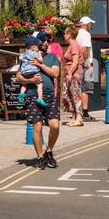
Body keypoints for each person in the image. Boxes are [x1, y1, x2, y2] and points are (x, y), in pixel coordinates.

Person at [26, 31, 61, 169]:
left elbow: (55, 73)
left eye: (48, 40)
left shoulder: (52, 57)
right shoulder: (28, 56)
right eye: (43, 40)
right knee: (37, 126)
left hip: (49, 96)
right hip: (32, 95)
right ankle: (40, 157)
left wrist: (40, 65)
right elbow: (18, 77)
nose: (46, 43)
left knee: (55, 125)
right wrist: (30, 79)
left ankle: (49, 151)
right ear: (37, 42)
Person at [60, 24, 84, 126]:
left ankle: (79, 118)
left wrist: (70, 73)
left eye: (65, 33)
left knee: (75, 95)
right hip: (71, 73)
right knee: (69, 95)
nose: (63, 36)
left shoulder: (74, 45)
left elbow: (75, 62)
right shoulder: (72, 45)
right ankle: (74, 116)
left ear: (69, 34)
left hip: (74, 74)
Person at [16, 37, 47, 107]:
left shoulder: (23, 54)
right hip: (33, 72)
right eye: (37, 46)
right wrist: (39, 55)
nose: (38, 48)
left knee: (24, 84)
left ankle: (21, 95)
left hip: (24, 72)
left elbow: (20, 59)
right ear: (33, 47)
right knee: (39, 84)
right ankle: (40, 98)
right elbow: (41, 61)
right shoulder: (35, 53)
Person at [75, 16, 96, 120]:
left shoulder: (77, 34)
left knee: (79, 88)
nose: (91, 25)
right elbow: (85, 49)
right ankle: (85, 113)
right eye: (90, 24)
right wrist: (88, 63)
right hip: (85, 64)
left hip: (78, 63)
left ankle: (79, 112)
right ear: (86, 24)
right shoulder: (86, 34)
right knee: (86, 88)